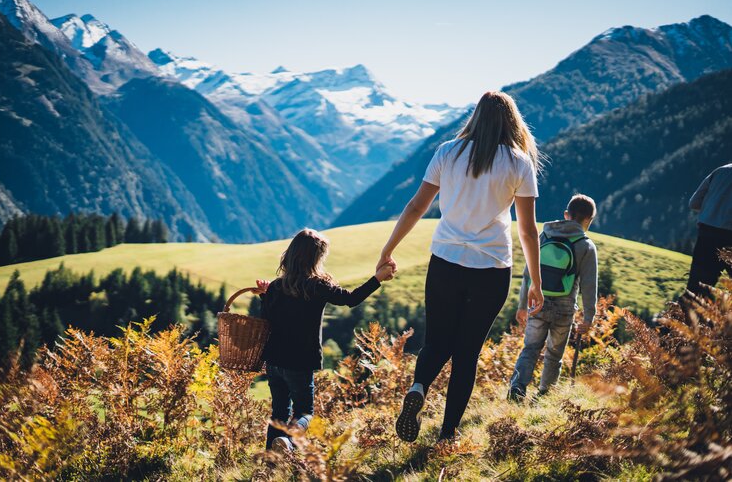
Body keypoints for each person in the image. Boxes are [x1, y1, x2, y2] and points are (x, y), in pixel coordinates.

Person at [379, 91, 544, 445]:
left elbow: (415, 207)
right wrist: (536, 282)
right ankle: (447, 435)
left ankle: (419, 387)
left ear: (475, 117)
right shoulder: (519, 163)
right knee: (467, 352)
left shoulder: (447, 152)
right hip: (492, 267)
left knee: (437, 340)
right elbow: (528, 231)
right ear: (511, 121)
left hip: (445, 262)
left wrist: (388, 250)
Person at [254, 228, 395, 452]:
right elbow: (351, 299)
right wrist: (377, 278)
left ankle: (271, 460)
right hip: (299, 361)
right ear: (316, 258)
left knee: (278, 413)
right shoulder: (317, 286)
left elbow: (267, 318)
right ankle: (289, 443)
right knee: (305, 413)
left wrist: (265, 295)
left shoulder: (277, 286)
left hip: (274, 361)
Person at [508, 194, 598, 401]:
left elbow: (528, 273)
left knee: (530, 348)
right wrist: (588, 318)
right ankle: (545, 394)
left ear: (566, 215)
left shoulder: (544, 236)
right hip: (565, 308)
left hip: (537, 302)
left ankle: (517, 388)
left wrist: (522, 305)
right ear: (589, 221)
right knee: (554, 354)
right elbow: (589, 285)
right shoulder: (586, 245)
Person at [686, 164, 732, 298]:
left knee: (696, 290)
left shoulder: (720, 171)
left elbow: (693, 203)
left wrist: (713, 209)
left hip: (707, 236)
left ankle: (685, 317)